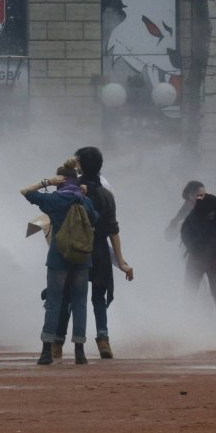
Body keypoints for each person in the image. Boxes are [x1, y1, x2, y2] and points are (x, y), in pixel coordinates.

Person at [57, 148, 134, 360]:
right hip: (100, 249)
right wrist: (121, 262)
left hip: (77, 249)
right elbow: (113, 230)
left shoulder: (72, 190)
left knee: (70, 298)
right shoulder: (107, 194)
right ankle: (103, 340)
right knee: (99, 298)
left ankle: (58, 342)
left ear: (79, 164)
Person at [22, 166, 98, 365]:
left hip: (58, 258)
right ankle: (79, 352)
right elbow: (96, 219)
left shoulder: (54, 200)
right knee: (80, 304)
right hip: (82, 258)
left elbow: (26, 192)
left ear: (60, 180)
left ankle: (46, 351)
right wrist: (84, 195)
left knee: (54, 303)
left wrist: (47, 182)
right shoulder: (85, 200)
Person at [175, 181, 216, 327]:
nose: (203, 198)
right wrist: (176, 226)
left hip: (215, 255)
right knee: (190, 288)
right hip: (196, 256)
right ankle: (185, 325)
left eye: (204, 194)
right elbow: (168, 234)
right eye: (199, 195)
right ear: (190, 197)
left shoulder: (212, 205)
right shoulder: (185, 211)